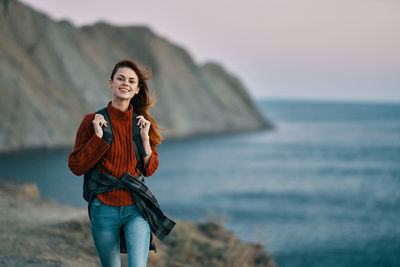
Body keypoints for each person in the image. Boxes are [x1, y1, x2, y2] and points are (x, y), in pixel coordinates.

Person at [68, 59, 164, 267]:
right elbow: (76, 166)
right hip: (103, 209)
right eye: (120, 78)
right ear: (110, 83)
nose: (125, 83)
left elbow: (150, 170)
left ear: (137, 89)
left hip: (136, 209)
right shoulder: (91, 121)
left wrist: (146, 139)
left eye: (131, 81)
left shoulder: (142, 123)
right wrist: (98, 138)